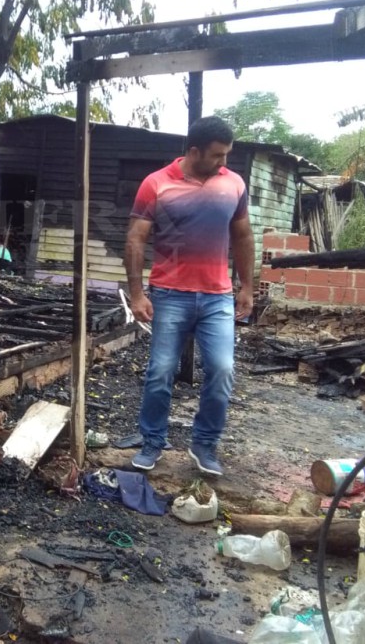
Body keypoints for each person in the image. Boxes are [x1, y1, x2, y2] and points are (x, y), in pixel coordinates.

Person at [125, 116, 254, 477]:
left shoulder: (234, 184)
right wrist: (137, 294)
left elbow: (243, 237)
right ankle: (152, 441)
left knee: (222, 368)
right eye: (217, 155)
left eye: (227, 155)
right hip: (169, 295)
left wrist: (247, 287)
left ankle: (204, 444)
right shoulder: (157, 183)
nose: (223, 162)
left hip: (217, 297)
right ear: (194, 150)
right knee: (161, 371)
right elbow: (136, 239)